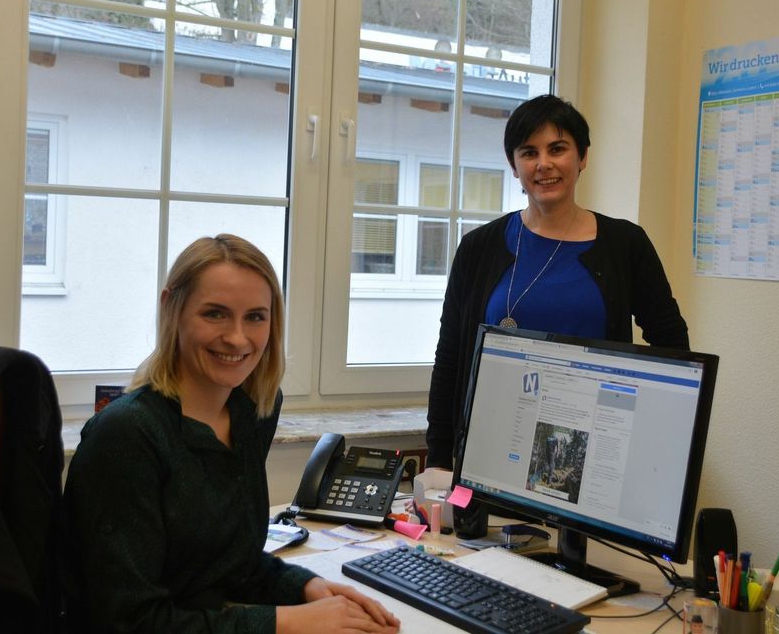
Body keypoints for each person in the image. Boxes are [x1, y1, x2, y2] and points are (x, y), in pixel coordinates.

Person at [64, 234, 400, 634]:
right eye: (215, 314)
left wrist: (305, 587)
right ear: (171, 309)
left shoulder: (251, 411)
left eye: (255, 317)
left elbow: (227, 562)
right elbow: (126, 621)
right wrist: (286, 622)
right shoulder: (127, 434)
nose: (238, 338)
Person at [426, 95, 689, 470]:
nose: (544, 164)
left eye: (558, 149)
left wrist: (649, 426)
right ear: (514, 165)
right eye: (529, 152)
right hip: (495, 443)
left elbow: (672, 343)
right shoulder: (478, 247)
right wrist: (438, 459)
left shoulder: (625, 244)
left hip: (594, 450)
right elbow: (450, 357)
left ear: (582, 157)